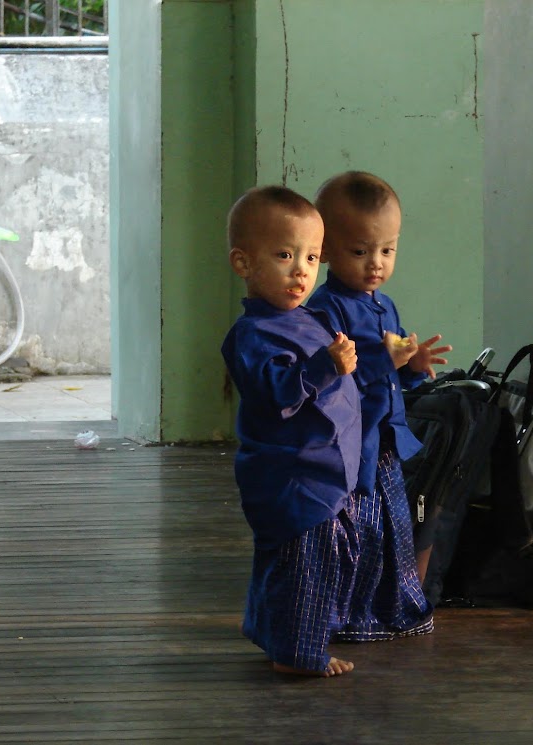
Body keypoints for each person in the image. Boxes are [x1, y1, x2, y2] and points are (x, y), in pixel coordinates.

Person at [221, 185, 362, 677]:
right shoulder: (254, 334)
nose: (302, 269)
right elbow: (277, 393)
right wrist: (326, 367)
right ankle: (298, 655)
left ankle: (269, 632)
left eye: (312, 257)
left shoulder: (309, 318)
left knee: (297, 562)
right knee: (305, 567)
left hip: (323, 471)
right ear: (244, 263)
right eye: (284, 255)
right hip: (292, 476)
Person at [308, 170, 451, 640]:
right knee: (357, 529)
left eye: (387, 250)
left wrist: (413, 365)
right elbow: (332, 379)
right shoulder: (326, 308)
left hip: (386, 440)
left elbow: (394, 371)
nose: (376, 263)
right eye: (360, 250)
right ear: (325, 249)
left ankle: (392, 607)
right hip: (351, 444)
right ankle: (350, 616)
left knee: (395, 527)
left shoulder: (384, 305)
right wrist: (379, 359)